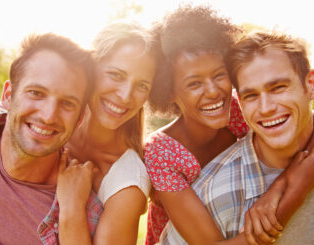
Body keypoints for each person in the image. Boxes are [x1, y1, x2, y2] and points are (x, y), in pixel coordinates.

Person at [161, 31, 314, 245]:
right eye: (251, 95)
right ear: (239, 102)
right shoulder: (218, 194)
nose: (266, 108)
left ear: (310, 84)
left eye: (278, 87)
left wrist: (285, 184)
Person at [49, 20, 163, 245]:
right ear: (91, 68)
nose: (125, 95)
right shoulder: (48, 123)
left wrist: (73, 208)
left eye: (141, 86)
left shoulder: (127, 181)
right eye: (116, 75)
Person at [144, 5, 248, 245]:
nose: (213, 91)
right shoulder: (161, 153)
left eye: (219, 75)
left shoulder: (238, 112)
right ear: (169, 92)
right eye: (194, 84)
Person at [0, 33, 100, 245]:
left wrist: (72, 211)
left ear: (80, 118)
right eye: (36, 93)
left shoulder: (87, 211)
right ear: (8, 96)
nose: (48, 116)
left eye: (67, 103)